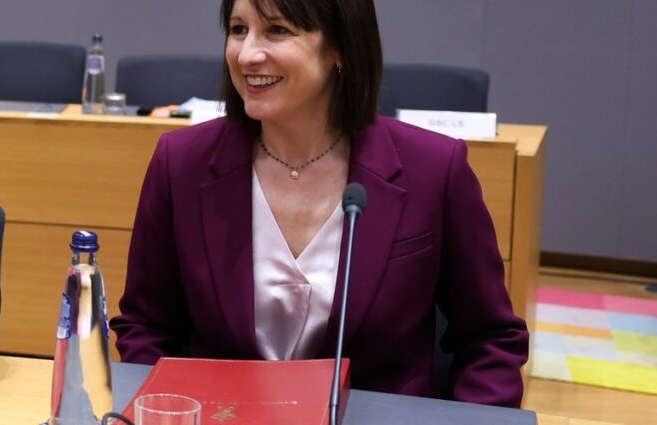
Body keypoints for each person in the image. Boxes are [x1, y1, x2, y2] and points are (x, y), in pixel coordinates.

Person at [110, 0, 529, 408]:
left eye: (277, 30)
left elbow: (489, 340)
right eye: (238, 30)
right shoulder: (181, 163)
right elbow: (147, 327)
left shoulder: (434, 170)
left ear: (340, 48)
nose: (246, 54)